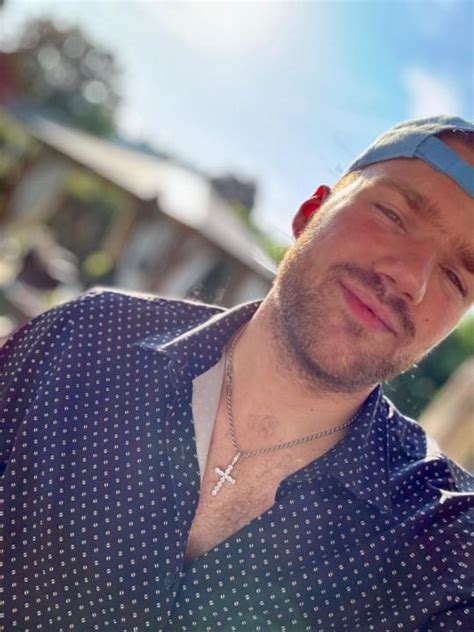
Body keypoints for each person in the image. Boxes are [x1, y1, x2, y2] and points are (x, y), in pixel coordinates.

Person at [1, 115, 473, 631]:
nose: (410, 279)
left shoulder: (449, 551)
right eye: (393, 214)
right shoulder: (83, 338)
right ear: (310, 211)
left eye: (456, 277)